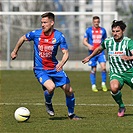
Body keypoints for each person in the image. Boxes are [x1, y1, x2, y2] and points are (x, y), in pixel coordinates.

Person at [11, 12, 80, 120]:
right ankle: (48, 103)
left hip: (55, 68)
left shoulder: (59, 36)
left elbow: (66, 53)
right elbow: (23, 38)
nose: (42, 25)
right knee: (51, 87)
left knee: (69, 90)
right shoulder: (36, 34)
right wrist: (15, 51)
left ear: (52, 23)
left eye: (45, 22)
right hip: (40, 69)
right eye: (42, 22)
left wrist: (61, 63)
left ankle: (71, 114)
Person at [82, 20, 133, 117]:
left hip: (129, 72)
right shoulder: (108, 41)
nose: (115, 33)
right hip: (116, 73)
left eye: (118, 31)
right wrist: (89, 57)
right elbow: (98, 49)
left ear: (123, 31)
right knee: (113, 88)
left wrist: (129, 57)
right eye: (113, 31)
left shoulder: (128, 42)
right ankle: (121, 106)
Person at [83, 16, 108, 92]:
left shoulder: (103, 30)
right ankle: (93, 85)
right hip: (92, 53)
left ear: (99, 22)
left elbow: (105, 40)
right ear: (93, 22)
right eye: (95, 22)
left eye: (97, 22)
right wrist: (88, 45)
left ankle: (103, 84)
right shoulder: (88, 30)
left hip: (101, 52)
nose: (96, 23)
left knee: (103, 68)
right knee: (93, 69)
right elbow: (84, 41)